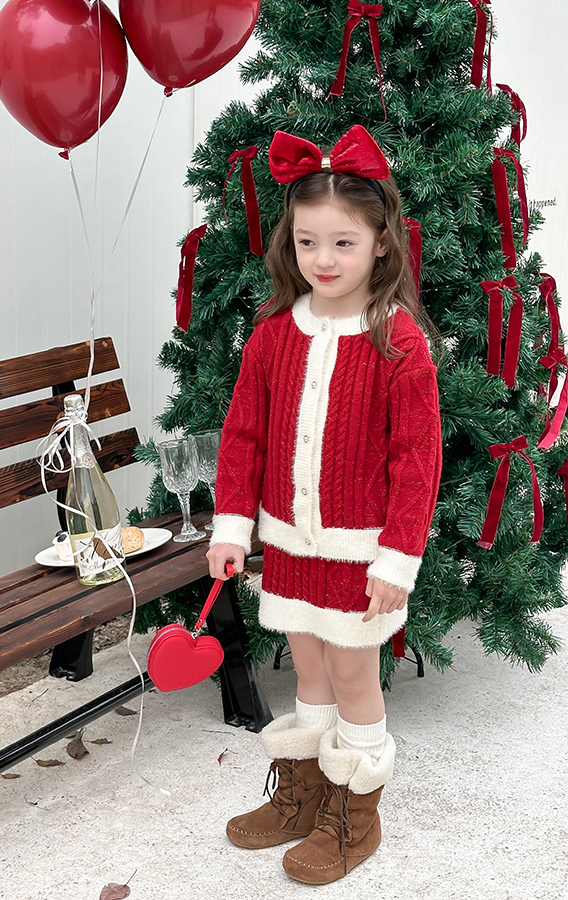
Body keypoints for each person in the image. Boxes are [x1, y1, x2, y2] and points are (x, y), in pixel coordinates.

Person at [206, 126, 443, 885]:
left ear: (381, 243)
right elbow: (243, 435)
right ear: (291, 243)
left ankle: (355, 814)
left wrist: (397, 560)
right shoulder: (274, 334)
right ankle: (304, 794)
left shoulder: (398, 342)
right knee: (307, 666)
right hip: (290, 546)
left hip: (360, 553)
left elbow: (417, 460)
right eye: (309, 242)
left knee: (352, 675)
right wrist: (232, 526)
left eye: (344, 243)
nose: (325, 260)